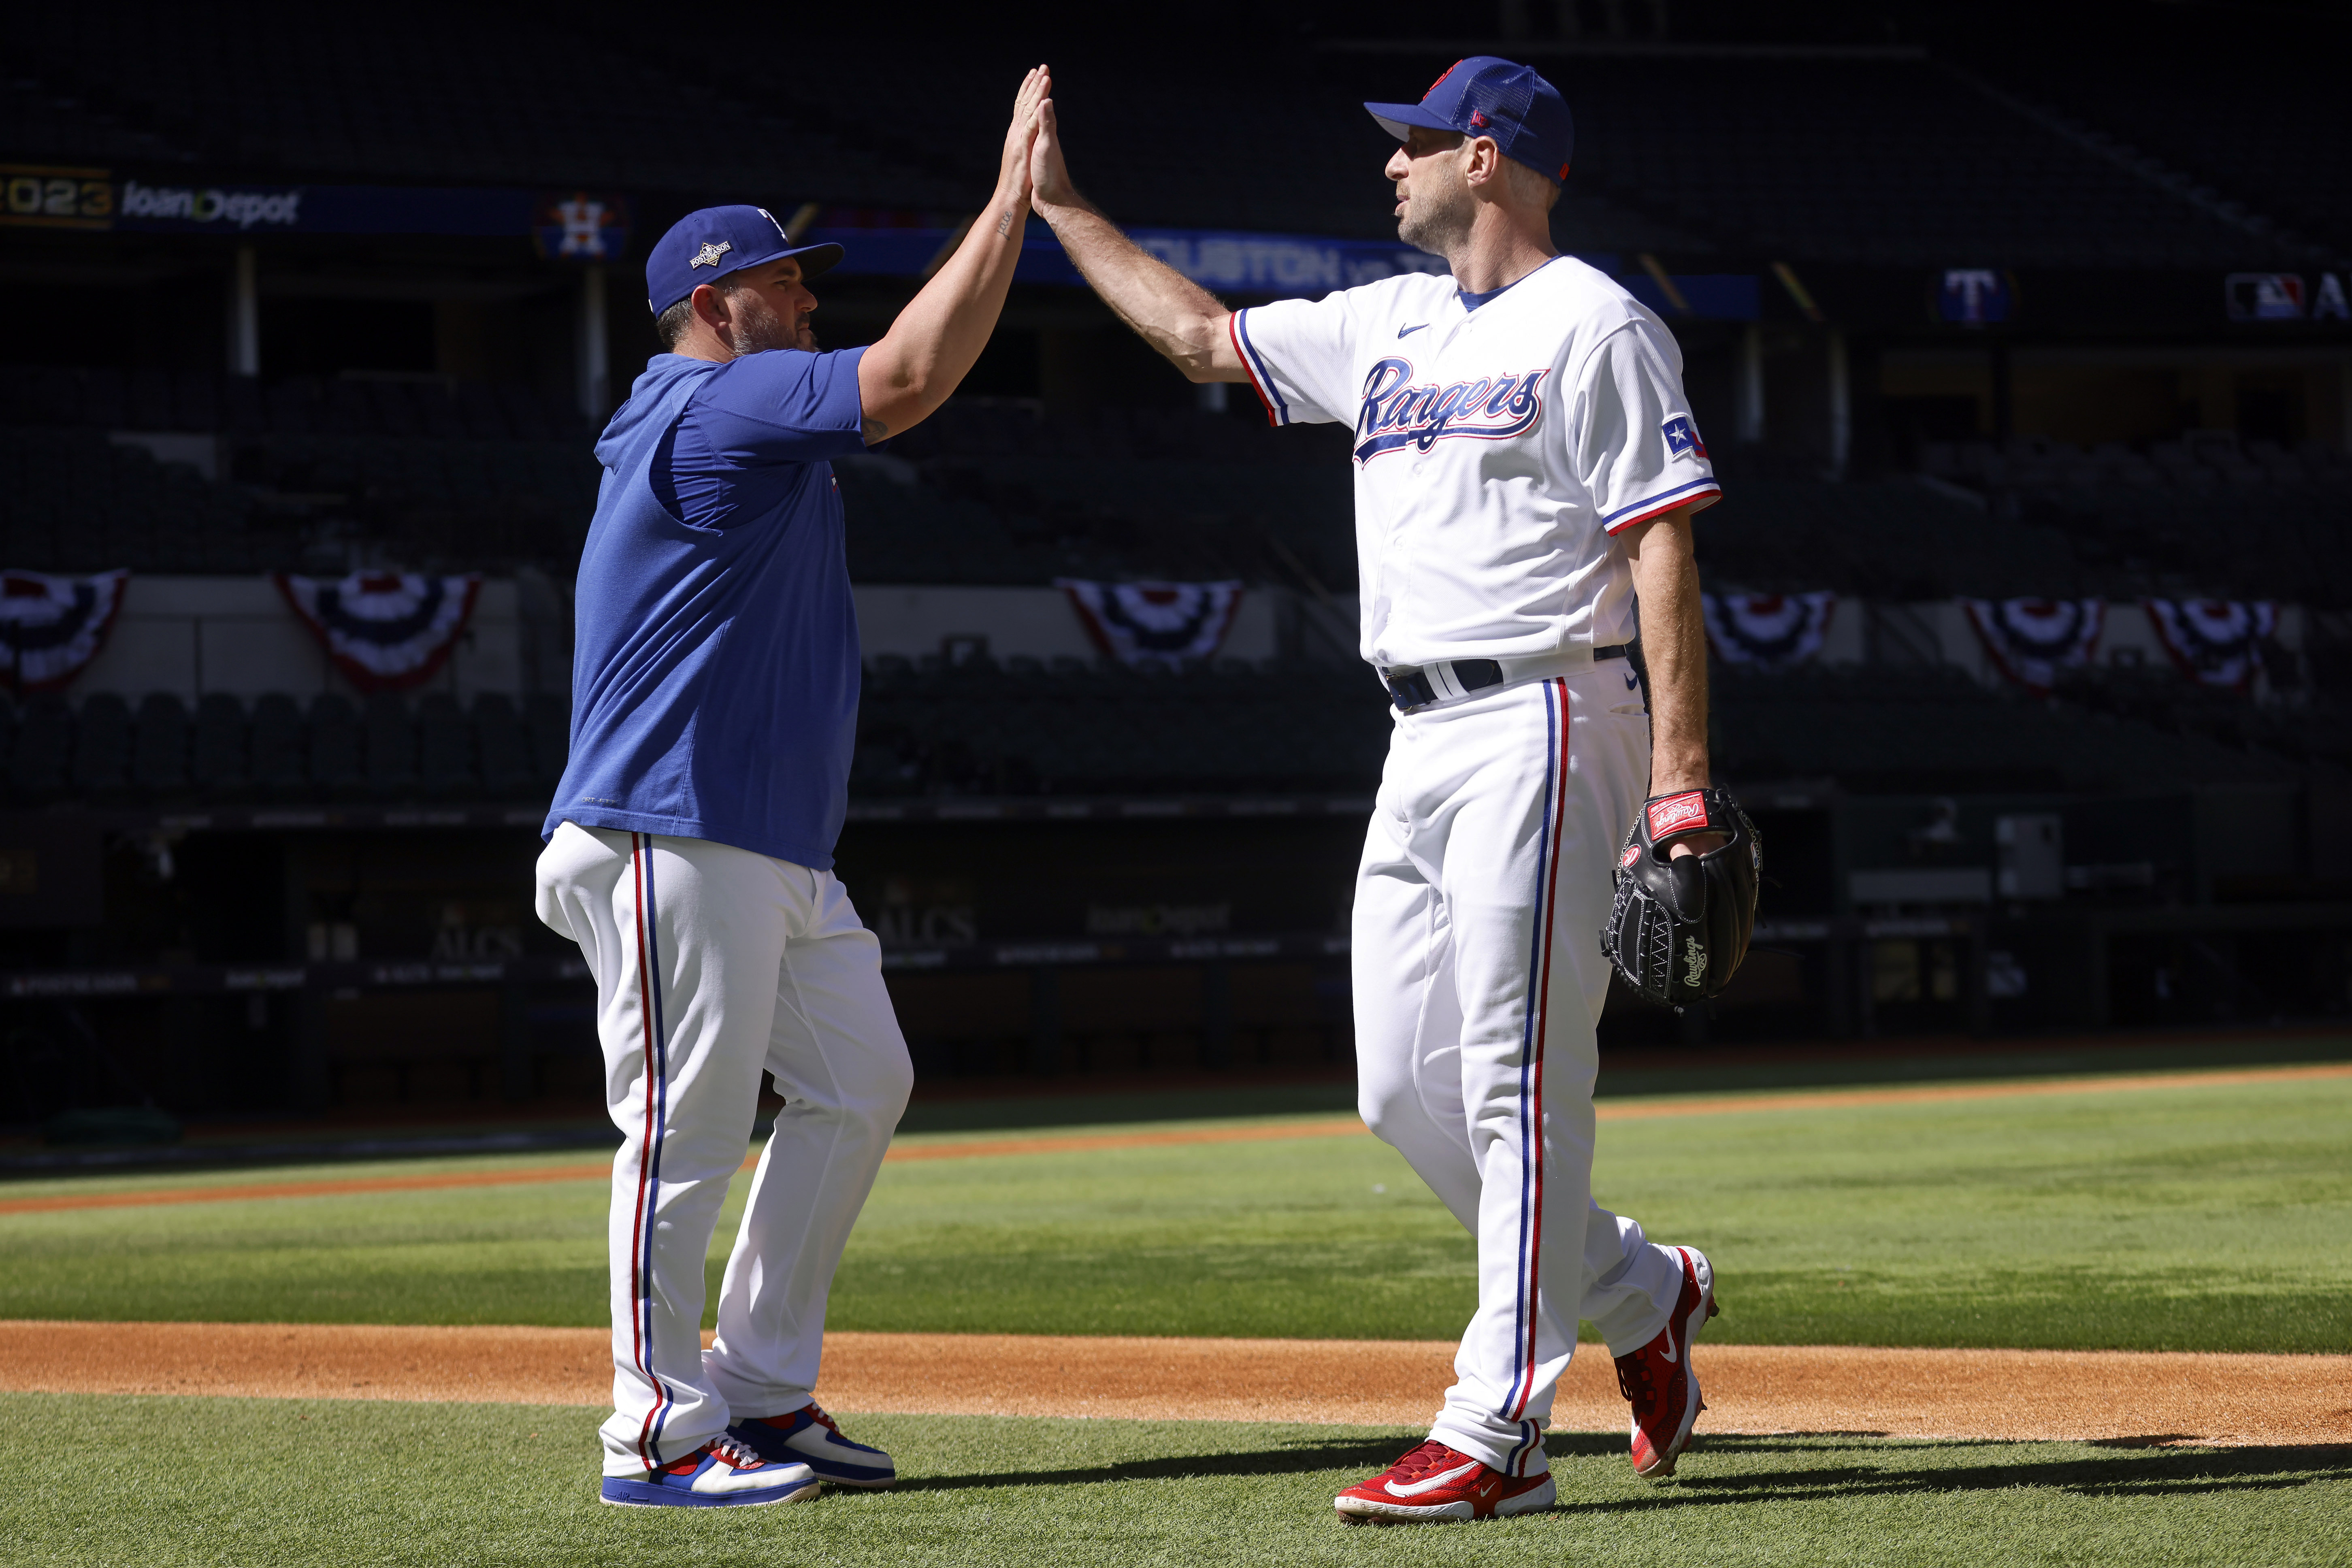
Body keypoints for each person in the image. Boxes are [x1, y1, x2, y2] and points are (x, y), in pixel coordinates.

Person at [1026, 57, 1725, 1523]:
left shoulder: (1597, 322)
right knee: (1401, 1085)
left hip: (1546, 707)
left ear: (1485, 157)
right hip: (1416, 731)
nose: (1385, 167)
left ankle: (1499, 1433)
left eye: (1409, 144)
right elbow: (1203, 341)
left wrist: (1680, 790)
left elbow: (1662, 548)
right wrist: (1063, 209)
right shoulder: (1388, 323)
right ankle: (1642, 1290)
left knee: (1520, 1081)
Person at [533, 67, 1051, 1508]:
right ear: (716, 304)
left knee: (859, 1081)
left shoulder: (731, 410)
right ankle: (652, 1427)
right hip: (667, 821)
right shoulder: (719, 405)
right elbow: (907, 379)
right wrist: (1013, 202)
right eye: (782, 280)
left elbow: (891, 378)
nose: (807, 298)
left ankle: (756, 1392)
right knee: (684, 1129)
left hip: (763, 843)